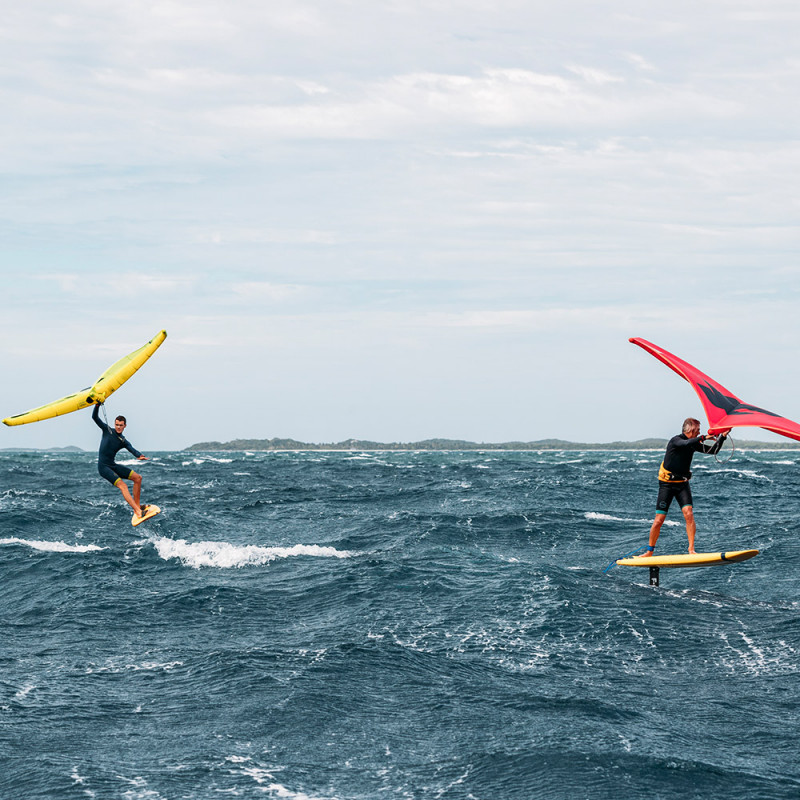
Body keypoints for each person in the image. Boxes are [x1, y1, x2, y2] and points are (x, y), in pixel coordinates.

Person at [641, 417, 727, 557]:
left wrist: (722, 437)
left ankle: (691, 550)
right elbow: (685, 443)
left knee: (689, 514)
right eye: (698, 430)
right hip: (667, 485)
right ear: (691, 429)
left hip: (682, 484)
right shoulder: (676, 440)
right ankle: (649, 551)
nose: (699, 432)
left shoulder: (693, 444)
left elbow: (713, 451)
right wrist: (703, 437)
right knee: (659, 520)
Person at [92, 403, 149, 518]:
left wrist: (139, 455)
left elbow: (131, 448)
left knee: (138, 478)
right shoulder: (107, 430)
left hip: (112, 465)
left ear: (125, 426)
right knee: (123, 486)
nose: (118, 427)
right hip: (103, 467)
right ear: (114, 424)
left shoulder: (123, 440)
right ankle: (138, 512)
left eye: (121, 425)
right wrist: (97, 405)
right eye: (117, 425)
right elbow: (95, 417)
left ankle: (137, 506)